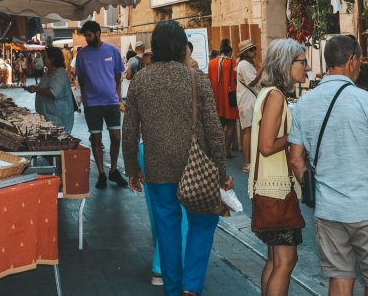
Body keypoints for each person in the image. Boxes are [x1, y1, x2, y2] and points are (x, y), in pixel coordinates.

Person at [124, 21, 232, 296]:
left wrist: (133, 169)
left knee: (167, 228)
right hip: (196, 165)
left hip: (157, 168)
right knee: (204, 221)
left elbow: (129, 131)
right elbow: (214, 130)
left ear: (155, 48)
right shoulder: (197, 79)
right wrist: (221, 172)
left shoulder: (140, 80)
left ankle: (173, 289)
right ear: (183, 46)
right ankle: (192, 286)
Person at [289, 35, 368, 296]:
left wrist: (314, 190)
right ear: (352, 61)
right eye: (359, 60)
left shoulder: (304, 103)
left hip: (328, 210)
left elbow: (295, 159)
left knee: (339, 278)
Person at [249, 38, 307, 296]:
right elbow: (266, 146)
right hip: (277, 191)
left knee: (275, 260)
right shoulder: (275, 96)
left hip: (270, 189)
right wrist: (296, 134)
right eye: (302, 62)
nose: (306, 67)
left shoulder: (269, 93)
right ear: (286, 64)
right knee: (285, 261)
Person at [75, 19, 127, 189]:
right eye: (85, 36)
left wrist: (115, 91)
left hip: (111, 102)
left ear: (98, 33)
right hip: (92, 104)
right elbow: (81, 78)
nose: (87, 39)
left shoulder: (112, 50)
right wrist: (87, 96)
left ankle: (113, 170)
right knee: (96, 138)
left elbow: (118, 74)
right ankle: (102, 174)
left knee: (116, 137)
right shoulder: (82, 54)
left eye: (89, 35)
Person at [26, 47, 74, 133]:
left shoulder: (60, 73)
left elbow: (53, 93)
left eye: (45, 57)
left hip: (57, 119)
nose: (42, 59)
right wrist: (35, 88)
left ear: (52, 59)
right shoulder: (48, 73)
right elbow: (43, 88)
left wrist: (36, 89)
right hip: (48, 117)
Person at [208, 39, 239, 157]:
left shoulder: (211, 63)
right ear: (229, 51)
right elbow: (236, 80)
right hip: (230, 97)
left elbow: (210, 81)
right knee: (231, 124)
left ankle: (218, 151)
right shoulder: (233, 62)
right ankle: (227, 150)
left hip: (216, 97)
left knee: (219, 124)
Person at [235, 39, 263, 173]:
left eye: (254, 49)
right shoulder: (244, 64)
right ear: (245, 53)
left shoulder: (246, 64)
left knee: (249, 131)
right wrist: (262, 69)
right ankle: (246, 163)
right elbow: (252, 83)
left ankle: (249, 161)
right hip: (247, 101)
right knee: (248, 131)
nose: (254, 51)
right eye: (251, 50)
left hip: (248, 100)